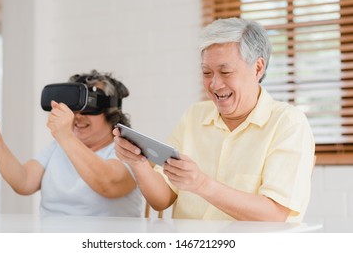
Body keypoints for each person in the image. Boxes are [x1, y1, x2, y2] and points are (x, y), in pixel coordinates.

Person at [113, 18, 315, 222]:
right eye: (207, 73)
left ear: (258, 68)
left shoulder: (288, 123)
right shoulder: (194, 116)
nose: (215, 84)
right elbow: (162, 200)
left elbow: (274, 214)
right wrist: (137, 162)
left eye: (226, 72)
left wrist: (201, 184)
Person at [0, 70, 142, 217]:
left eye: (88, 108)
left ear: (110, 112)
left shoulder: (126, 150)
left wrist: (66, 137)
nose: (78, 116)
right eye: (74, 106)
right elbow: (24, 182)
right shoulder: (58, 146)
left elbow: (108, 184)